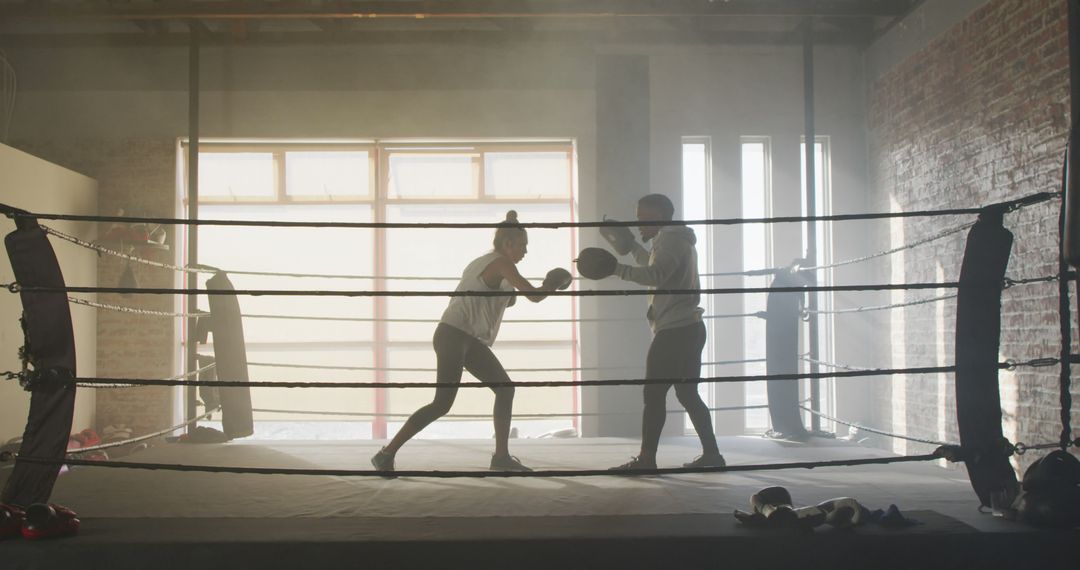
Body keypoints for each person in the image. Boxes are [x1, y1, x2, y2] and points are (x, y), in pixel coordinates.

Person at [371, 211, 572, 473]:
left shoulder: (484, 263)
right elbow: (533, 296)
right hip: (454, 334)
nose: (525, 251)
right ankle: (386, 454)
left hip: (466, 337)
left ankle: (501, 457)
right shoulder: (501, 263)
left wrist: (512, 221)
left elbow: (505, 298)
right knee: (442, 403)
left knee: (505, 389)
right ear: (508, 244)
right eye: (522, 245)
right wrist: (552, 284)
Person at [585, 193, 724, 471]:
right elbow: (655, 263)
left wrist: (617, 268)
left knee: (654, 394)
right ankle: (712, 455)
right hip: (689, 326)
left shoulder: (671, 239)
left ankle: (646, 460)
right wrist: (633, 247)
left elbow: (657, 275)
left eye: (643, 219)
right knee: (687, 394)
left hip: (675, 330)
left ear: (659, 217)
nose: (638, 224)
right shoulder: (673, 239)